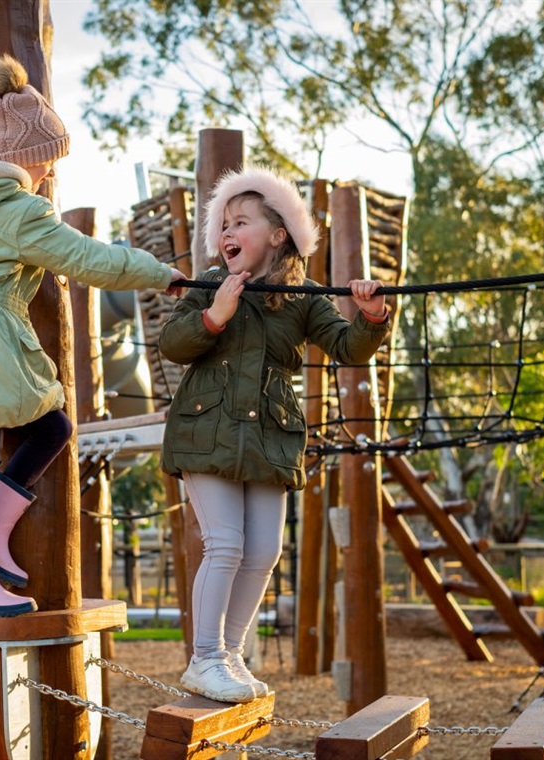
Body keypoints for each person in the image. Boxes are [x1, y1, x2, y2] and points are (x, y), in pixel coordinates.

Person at [0, 54, 185, 619]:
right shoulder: (17, 210)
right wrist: (159, 273)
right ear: (26, 161)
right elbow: (86, 258)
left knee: (50, 426)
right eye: (49, 163)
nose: (51, 175)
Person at [159, 165, 392, 703]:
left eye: (241, 222)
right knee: (224, 544)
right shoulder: (209, 285)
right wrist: (214, 316)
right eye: (224, 225)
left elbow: (347, 348)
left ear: (278, 233)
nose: (227, 234)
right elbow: (174, 343)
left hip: (270, 434)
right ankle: (206, 657)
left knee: (263, 550)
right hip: (207, 430)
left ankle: (232, 655)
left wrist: (371, 316)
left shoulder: (305, 297)